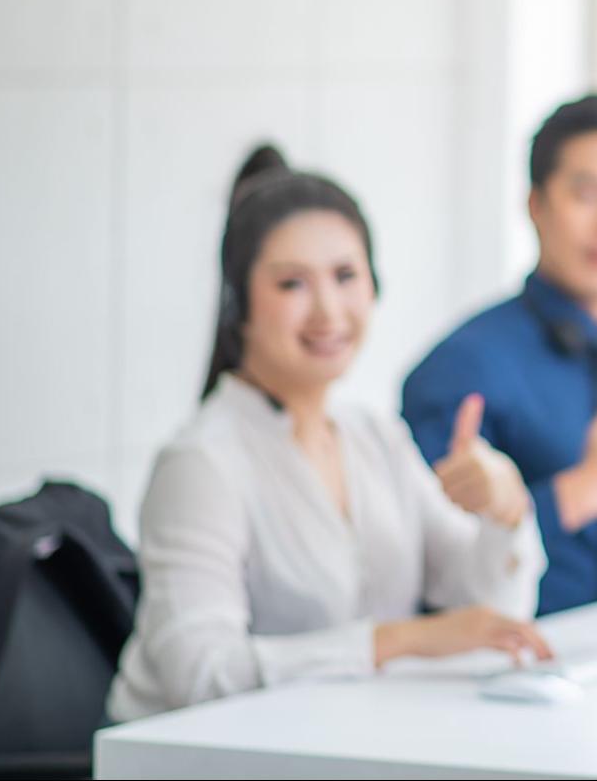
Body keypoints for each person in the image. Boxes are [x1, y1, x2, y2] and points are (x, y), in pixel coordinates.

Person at [108, 146, 549, 722]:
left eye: (346, 276)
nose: (328, 310)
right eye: (292, 284)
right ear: (238, 304)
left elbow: (492, 615)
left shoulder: (374, 436)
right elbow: (199, 673)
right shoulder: (201, 463)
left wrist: (506, 512)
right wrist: (396, 641)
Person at [403, 95, 597, 616]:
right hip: (504, 673)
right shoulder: (460, 370)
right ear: (536, 204)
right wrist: (582, 493)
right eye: (588, 196)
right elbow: (431, 573)